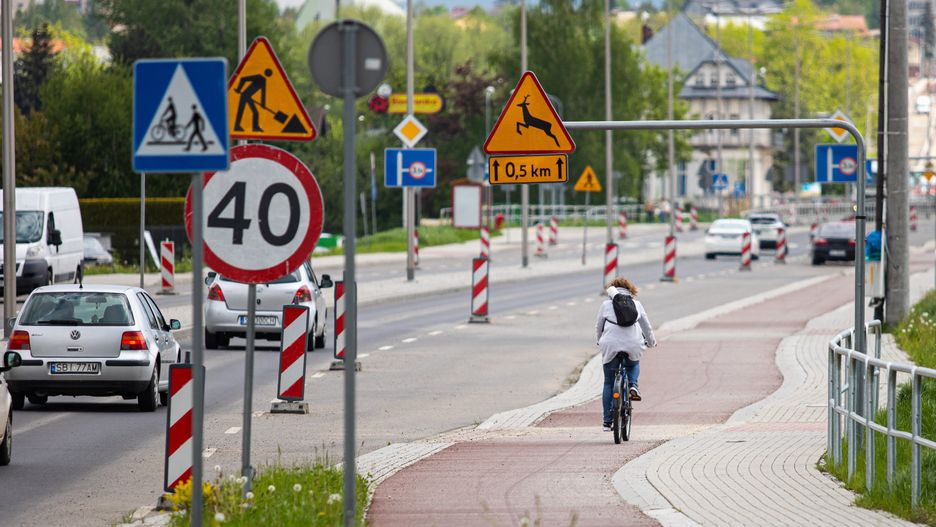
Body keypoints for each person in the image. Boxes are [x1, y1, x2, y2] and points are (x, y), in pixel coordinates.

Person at [596, 277, 657, 432]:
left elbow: (599, 327)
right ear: (631, 290)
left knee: (609, 383)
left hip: (610, 344)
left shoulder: (605, 305)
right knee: (633, 363)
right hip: (633, 343)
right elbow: (646, 326)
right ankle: (633, 385)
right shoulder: (636, 304)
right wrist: (651, 342)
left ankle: (607, 421)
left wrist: (599, 341)